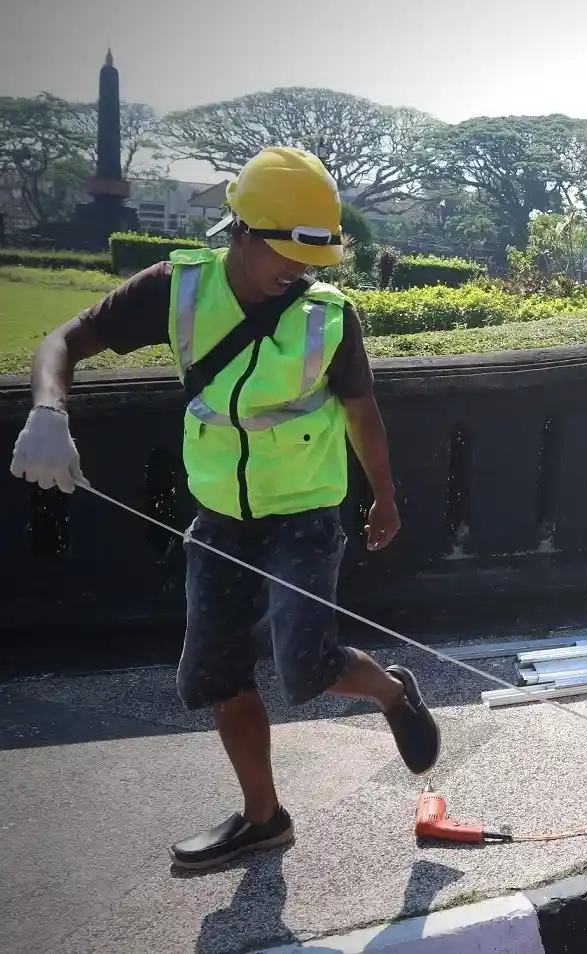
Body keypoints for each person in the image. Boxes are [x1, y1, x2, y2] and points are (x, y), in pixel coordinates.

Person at [8, 146, 441, 871]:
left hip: (305, 509)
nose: (300, 272)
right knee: (216, 671)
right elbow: (64, 341)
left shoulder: (329, 318)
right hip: (219, 515)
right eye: (287, 253)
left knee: (306, 667)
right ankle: (263, 818)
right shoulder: (176, 289)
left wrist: (384, 498)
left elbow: (364, 414)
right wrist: (48, 412)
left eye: (314, 258)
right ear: (241, 230)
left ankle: (392, 690)